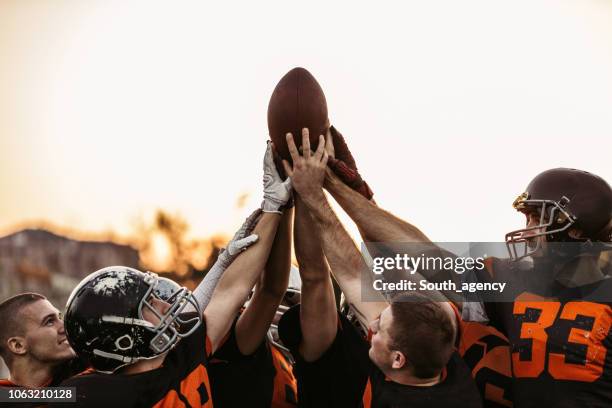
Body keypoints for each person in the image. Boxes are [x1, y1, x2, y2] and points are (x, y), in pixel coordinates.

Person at [50, 142, 293, 407]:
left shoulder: (183, 354)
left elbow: (231, 292)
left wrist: (273, 205)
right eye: (151, 304)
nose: (165, 304)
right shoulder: (89, 394)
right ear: (124, 338)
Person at [279, 129, 482, 407]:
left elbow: (351, 277)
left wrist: (314, 193)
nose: (372, 325)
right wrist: (340, 190)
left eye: (381, 328)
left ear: (398, 359)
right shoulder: (435, 359)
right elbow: (363, 273)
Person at [208, 206, 299, 407]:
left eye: (290, 304)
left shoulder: (306, 367)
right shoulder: (244, 340)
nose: (280, 313)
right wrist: (280, 207)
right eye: (280, 304)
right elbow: (270, 291)